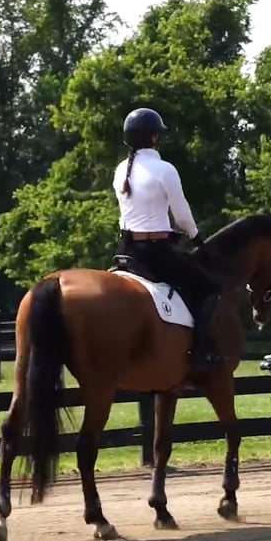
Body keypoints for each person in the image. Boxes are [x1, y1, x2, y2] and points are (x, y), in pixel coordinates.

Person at [112, 107, 223, 373]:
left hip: (125, 251)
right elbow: (182, 215)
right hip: (155, 252)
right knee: (209, 289)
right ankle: (199, 353)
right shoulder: (165, 169)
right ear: (153, 138)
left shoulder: (120, 170)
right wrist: (197, 239)